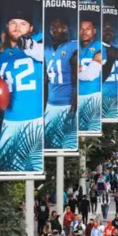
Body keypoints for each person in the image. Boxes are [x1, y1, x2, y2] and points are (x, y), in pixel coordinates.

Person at [0, 8, 44, 170]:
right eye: (13, 23)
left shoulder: (38, 42)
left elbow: (43, 53)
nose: (17, 27)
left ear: (31, 29)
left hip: (34, 119)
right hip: (9, 120)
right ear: (7, 26)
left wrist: (29, 45)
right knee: (9, 170)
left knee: (34, 167)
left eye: (23, 24)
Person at [43, 18, 78, 149]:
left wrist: (73, 109)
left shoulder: (73, 48)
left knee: (68, 144)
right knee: (49, 145)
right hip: (51, 105)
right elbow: (46, 81)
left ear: (65, 29)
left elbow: (77, 82)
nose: (54, 29)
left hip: (67, 104)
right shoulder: (46, 50)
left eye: (57, 26)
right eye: (52, 26)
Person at [77, 18, 102, 131]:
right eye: (81, 29)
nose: (84, 31)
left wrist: (75, 70)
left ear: (94, 30)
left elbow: (90, 75)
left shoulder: (100, 47)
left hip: (91, 96)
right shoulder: (73, 45)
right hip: (72, 97)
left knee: (90, 128)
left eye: (88, 29)